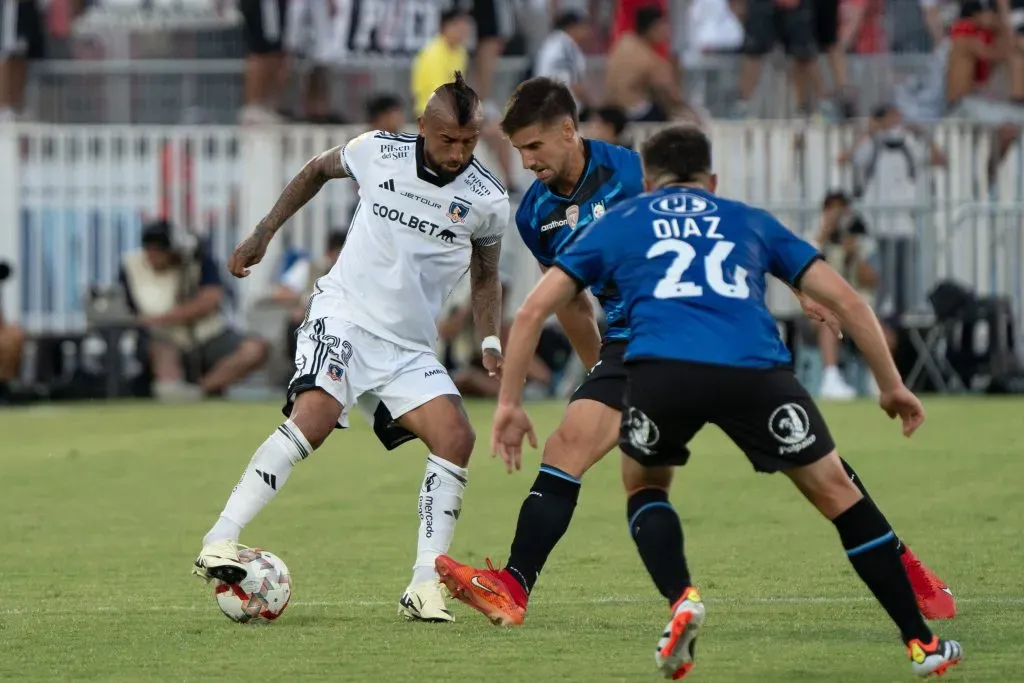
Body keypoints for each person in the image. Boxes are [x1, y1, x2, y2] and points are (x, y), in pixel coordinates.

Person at [433, 79, 955, 634]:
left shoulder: (635, 174)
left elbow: (718, 230)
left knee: (816, 470)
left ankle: (901, 561)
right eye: (519, 151)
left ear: (568, 130)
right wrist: (598, 374)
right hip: (634, 341)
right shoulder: (535, 213)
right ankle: (514, 585)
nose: (527, 162)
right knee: (567, 446)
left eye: (535, 146)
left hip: (709, 325)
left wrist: (800, 287)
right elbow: (572, 303)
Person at [191, 72, 510, 623]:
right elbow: (316, 170)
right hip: (345, 315)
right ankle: (220, 538)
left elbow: (486, 276)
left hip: (408, 345)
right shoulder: (376, 151)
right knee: (314, 418)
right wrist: (264, 232)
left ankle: (423, 583)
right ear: (422, 127)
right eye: (447, 140)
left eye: (469, 141)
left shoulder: (488, 199)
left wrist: (489, 337)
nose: (458, 153)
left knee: (456, 437)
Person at [119, 220, 270, 401]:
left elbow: (210, 299)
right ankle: (171, 389)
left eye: (159, 251)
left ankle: (201, 390)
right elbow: (127, 309)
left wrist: (162, 318)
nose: (153, 256)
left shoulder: (196, 260)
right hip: (162, 338)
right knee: (160, 352)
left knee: (254, 349)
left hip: (207, 334)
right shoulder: (131, 266)